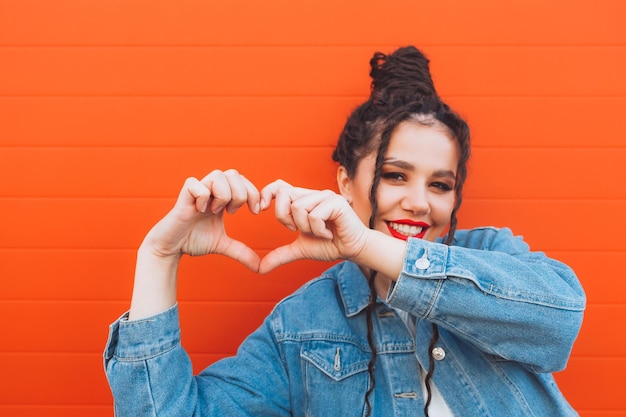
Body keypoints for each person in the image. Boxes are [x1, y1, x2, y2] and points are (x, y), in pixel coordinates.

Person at [104, 46, 585, 416]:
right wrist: (159, 257)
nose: (419, 202)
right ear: (344, 183)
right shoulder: (302, 326)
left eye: (440, 184)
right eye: (395, 175)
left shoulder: (494, 253)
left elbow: (560, 319)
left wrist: (366, 245)